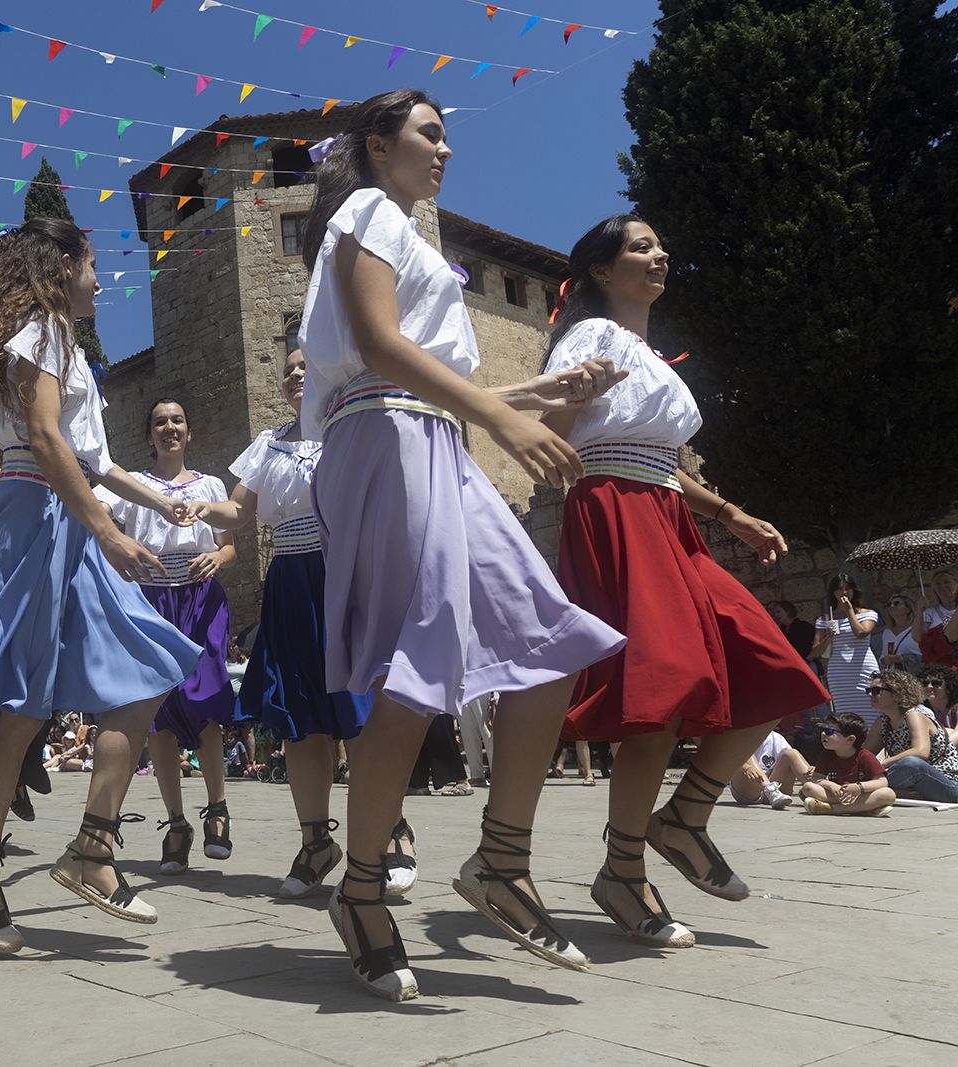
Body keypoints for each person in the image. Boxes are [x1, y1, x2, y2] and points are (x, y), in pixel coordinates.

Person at [296, 89, 628, 999]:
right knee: (417, 671)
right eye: (429, 135)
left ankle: (500, 863)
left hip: (430, 439)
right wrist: (498, 414)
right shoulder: (366, 210)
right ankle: (362, 893)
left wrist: (547, 391)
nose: (446, 151)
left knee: (549, 640)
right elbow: (376, 346)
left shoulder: (409, 233)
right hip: (382, 440)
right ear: (378, 145)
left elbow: (428, 375)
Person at [542, 214, 830, 953]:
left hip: (668, 517)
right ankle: (623, 869)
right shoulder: (591, 338)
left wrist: (730, 512)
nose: (660, 253)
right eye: (641, 246)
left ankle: (685, 816)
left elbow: (660, 460)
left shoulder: (651, 355)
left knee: (774, 666)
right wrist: (575, 392)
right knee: (658, 691)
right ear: (603, 271)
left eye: (661, 244)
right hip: (614, 512)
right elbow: (563, 427)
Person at [0, 217, 202, 954]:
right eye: (91, 263)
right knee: (19, 704)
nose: (100, 278)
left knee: (147, 668)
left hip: (62, 514)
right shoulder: (42, 330)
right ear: (59, 269)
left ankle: (92, 846)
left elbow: (94, 458)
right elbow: (45, 441)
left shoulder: (61, 343)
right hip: (32, 514)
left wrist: (153, 503)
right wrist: (111, 533)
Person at [191, 346, 378, 898]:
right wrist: (196, 509)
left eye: (306, 365)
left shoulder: (351, 425)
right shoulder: (268, 443)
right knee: (298, 715)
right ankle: (316, 841)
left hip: (345, 572)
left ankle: (388, 830)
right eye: (289, 370)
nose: (297, 373)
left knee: (358, 708)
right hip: (291, 580)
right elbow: (239, 511)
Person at [97, 398, 236, 875]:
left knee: (205, 700)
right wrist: (125, 554)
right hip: (152, 601)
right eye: (160, 422)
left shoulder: (211, 485)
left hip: (200, 599)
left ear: (189, 432)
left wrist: (221, 558)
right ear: (149, 435)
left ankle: (217, 808)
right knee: (156, 713)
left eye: (178, 420)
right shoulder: (132, 488)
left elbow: (230, 542)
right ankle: (177, 822)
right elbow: (102, 525)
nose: (170, 428)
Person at [811, 577, 882, 749]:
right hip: (839, 672)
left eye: (847, 588)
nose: (843, 593)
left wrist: (849, 611)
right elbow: (814, 653)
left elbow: (861, 633)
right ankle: (853, 751)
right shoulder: (825, 618)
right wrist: (828, 637)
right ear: (832, 593)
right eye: (839, 589)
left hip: (864, 668)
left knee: (872, 709)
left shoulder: (868, 613)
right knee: (846, 715)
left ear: (854, 590)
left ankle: (875, 749)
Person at [872, 670, 958, 803]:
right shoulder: (883, 721)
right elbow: (865, 753)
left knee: (912, 764)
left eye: (877, 691)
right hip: (917, 782)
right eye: (869, 690)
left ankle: (868, 786)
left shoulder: (914, 715)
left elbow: (920, 752)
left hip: (949, 783)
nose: (871, 695)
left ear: (896, 693)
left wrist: (880, 765)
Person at [799, 712, 895, 815]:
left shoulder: (865, 756)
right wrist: (831, 785)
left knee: (888, 794)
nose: (823, 734)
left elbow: (882, 781)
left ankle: (831, 809)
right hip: (837, 794)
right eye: (823, 730)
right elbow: (816, 778)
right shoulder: (826, 754)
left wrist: (859, 787)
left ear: (850, 739)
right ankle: (864, 808)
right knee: (808, 787)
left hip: (860, 795)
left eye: (829, 731)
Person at [727, 731, 812, 809]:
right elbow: (726, 760)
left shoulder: (776, 738)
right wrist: (746, 768)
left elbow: (792, 762)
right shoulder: (738, 735)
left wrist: (811, 770)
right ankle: (770, 790)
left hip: (777, 788)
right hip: (749, 788)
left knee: (792, 753)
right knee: (747, 752)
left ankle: (818, 789)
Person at [879, 595, 922, 672]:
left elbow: (923, 655)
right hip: (894, 677)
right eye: (889, 604)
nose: (892, 606)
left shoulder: (916, 629)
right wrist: (885, 660)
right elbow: (883, 655)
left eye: (896, 603)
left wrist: (901, 658)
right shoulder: (886, 632)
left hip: (913, 675)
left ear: (908, 609)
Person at [918, 665, 958, 731]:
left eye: (936, 683)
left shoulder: (955, 710)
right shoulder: (923, 713)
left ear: (948, 687)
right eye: (925, 683)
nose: (929, 686)